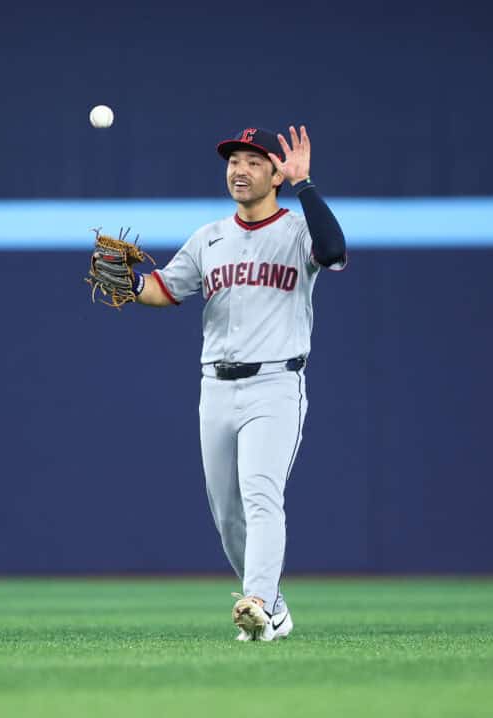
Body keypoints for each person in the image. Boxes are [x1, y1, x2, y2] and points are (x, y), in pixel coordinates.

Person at [133, 126, 346, 640]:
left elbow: (334, 250)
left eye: (254, 160)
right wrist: (131, 284)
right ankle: (271, 605)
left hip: (275, 383)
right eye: (234, 160)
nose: (240, 169)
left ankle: (257, 603)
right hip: (216, 387)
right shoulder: (209, 237)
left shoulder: (297, 231)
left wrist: (307, 184)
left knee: (259, 492)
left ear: (276, 172)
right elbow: (165, 288)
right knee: (227, 514)